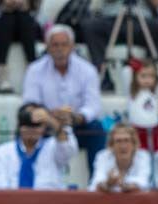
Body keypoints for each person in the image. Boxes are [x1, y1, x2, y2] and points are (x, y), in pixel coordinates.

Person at [21, 25, 103, 171]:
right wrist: (50, 115)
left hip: (77, 123)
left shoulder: (87, 70)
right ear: (47, 47)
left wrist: (76, 117)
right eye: (55, 45)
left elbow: (93, 105)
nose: (60, 49)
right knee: (27, 125)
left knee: (96, 129)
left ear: (72, 46)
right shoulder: (35, 69)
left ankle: (95, 182)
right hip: (46, 124)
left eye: (64, 44)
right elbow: (30, 103)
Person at [82, 0, 158, 85]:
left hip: (141, 21)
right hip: (112, 19)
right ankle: (104, 78)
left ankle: (149, 75)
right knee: (90, 26)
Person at [0, 101, 77, 190]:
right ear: (19, 125)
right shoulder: (2, 152)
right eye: (26, 123)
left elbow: (67, 150)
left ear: (44, 126)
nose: (31, 128)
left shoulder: (52, 146)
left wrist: (50, 120)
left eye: (36, 124)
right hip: (12, 202)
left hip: (48, 202)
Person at [0, 0, 39, 93]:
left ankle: (34, 73)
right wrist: (6, 3)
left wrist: (26, 4)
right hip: (4, 20)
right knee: (8, 19)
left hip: (25, 22)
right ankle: (1, 77)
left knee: (24, 19)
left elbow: (36, 8)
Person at [125, 60, 158, 152]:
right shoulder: (131, 93)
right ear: (135, 77)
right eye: (143, 76)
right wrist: (136, 68)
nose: (147, 80)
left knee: (156, 153)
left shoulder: (155, 93)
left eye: (151, 76)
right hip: (137, 130)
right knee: (139, 154)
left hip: (154, 129)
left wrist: (153, 70)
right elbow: (125, 71)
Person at [89, 122, 150, 192]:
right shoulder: (102, 156)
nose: (123, 146)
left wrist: (123, 184)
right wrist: (108, 183)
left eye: (127, 140)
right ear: (111, 145)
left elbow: (144, 182)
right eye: (118, 141)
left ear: (134, 144)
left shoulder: (143, 156)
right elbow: (96, 182)